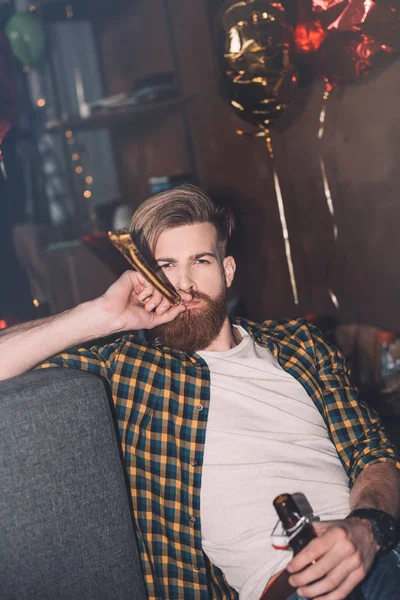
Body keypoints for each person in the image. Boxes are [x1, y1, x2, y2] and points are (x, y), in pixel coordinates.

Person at [0, 185, 399, 600]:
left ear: (227, 270)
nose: (184, 284)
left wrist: (365, 528)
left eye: (200, 261)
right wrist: (98, 316)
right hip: (289, 587)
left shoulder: (300, 344)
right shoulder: (127, 367)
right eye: (166, 265)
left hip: (381, 554)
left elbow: (373, 454)